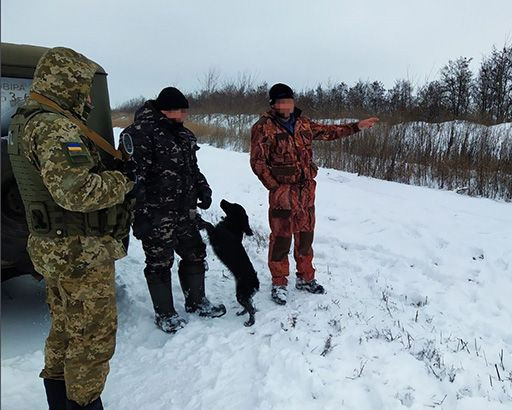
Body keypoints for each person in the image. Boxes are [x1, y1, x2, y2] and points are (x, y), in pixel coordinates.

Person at [8, 47, 134, 410]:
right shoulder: (54, 126)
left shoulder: (25, 120)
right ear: (68, 83)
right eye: (84, 87)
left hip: (54, 247)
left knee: (65, 329)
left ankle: (60, 403)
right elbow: (77, 192)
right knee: (92, 339)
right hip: (79, 251)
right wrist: (123, 181)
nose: (89, 97)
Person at [250, 83, 379, 305]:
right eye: (280, 102)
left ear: (293, 102)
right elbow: (258, 162)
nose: (285, 105)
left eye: (288, 101)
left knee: (305, 236)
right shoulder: (263, 127)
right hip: (282, 192)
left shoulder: (303, 123)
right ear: (273, 104)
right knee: (281, 238)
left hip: (306, 191)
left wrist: (357, 126)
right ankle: (279, 282)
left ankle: (306, 278)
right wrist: (274, 187)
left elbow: (330, 132)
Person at [121, 87, 226, 333]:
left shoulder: (185, 136)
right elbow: (132, 180)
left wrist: (203, 189)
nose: (185, 116)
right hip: (157, 214)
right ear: (167, 110)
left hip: (185, 211)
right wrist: (140, 216)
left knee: (195, 253)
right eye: (182, 111)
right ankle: (165, 314)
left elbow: (193, 168)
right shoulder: (139, 134)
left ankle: (197, 302)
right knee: (159, 262)